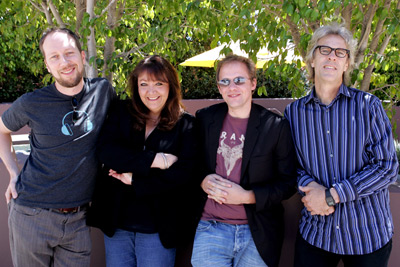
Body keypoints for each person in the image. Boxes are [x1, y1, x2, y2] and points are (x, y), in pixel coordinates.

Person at [285, 23, 399, 267]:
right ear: (312, 58)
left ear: (347, 64)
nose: (331, 57)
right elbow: (288, 164)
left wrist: (331, 195)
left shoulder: (369, 106)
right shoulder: (294, 113)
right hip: (316, 233)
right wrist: (307, 184)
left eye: (340, 53)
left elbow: (387, 167)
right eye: (324, 50)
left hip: (367, 235)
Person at [0, 28, 116, 266]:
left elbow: (121, 129)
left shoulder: (103, 91)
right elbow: (1, 130)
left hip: (79, 219)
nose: (64, 62)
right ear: (47, 65)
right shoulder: (31, 102)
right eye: (54, 57)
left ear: (82, 56)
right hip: (32, 215)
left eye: (69, 53)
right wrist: (13, 173)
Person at [86, 55, 198, 267]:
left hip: (158, 228)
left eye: (159, 84)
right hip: (117, 224)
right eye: (144, 84)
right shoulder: (121, 112)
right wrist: (156, 160)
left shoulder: (186, 125)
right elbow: (106, 151)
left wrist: (135, 181)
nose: (151, 91)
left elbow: (183, 174)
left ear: (171, 86)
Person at [191, 54, 297, 267]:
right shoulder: (205, 119)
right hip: (211, 227)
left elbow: (288, 182)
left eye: (239, 80)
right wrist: (202, 181)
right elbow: (190, 165)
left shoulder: (275, 127)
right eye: (225, 81)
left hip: (257, 233)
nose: (232, 87)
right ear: (219, 87)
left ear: (253, 84)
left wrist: (248, 196)